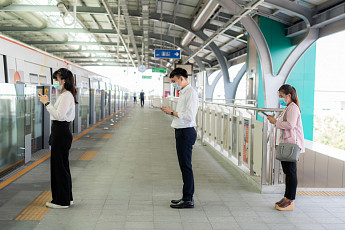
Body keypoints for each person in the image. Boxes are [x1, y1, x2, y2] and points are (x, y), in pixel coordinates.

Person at [38, 68, 77, 209]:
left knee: (58, 167)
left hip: (61, 131)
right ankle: (67, 198)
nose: (54, 82)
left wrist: (46, 103)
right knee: (62, 166)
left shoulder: (66, 96)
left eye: (56, 79)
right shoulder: (65, 95)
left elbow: (59, 116)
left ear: (63, 80)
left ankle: (61, 201)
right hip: (60, 131)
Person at [160, 68, 198, 209]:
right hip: (181, 131)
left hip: (186, 132)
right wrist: (172, 112)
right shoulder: (184, 92)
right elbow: (183, 113)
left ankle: (188, 199)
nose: (174, 84)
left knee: (186, 166)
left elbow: (189, 116)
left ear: (181, 78)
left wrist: (172, 112)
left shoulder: (191, 93)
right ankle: (185, 196)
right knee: (184, 166)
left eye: (174, 81)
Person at [267, 84, 305, 211]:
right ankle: (286, 197)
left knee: (291, 172)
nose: (281, 99)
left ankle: (290, 199)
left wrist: (275, 122)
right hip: (286, 143)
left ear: (289, 95)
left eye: (282, 96)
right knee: (287, 172)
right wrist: (275, 121)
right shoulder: (288, 107)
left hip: (291, 144)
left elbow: (290, 124)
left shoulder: (293, 108)